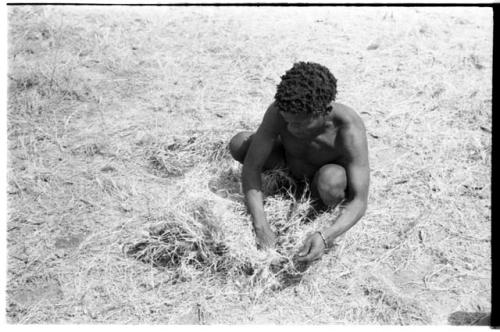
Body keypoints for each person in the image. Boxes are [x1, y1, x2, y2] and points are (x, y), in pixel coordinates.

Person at [229, 62, 370, 264]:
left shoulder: (348, 126)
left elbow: (359, 201)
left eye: (300, 123)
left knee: (332, 180)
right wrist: (260, 225)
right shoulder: (279, 111)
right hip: (289, 170)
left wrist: (325, 236)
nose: (291, 128)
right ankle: (286, 191)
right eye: (287, 122)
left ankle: (314, 207)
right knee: (239, 143)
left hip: (321, 184)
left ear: (323, 110)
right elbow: (252, 166)